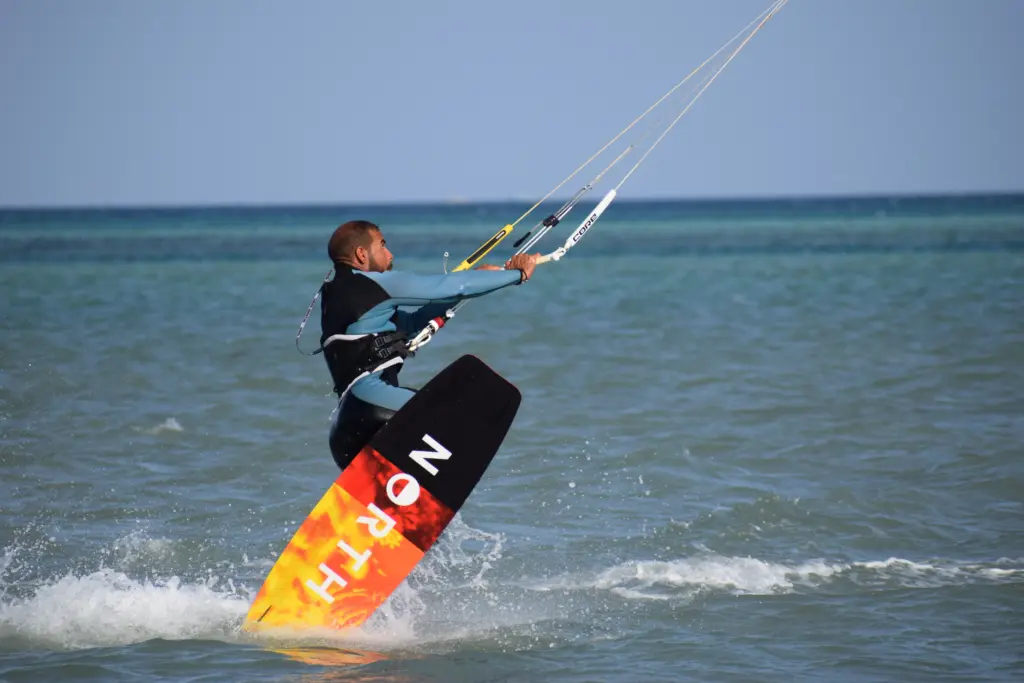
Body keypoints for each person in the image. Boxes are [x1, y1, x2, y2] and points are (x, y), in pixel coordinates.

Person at [318, 219, 539, 469]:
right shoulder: (376, 284)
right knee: (463, 419)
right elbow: (453, 285)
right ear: (361, 253)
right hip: (375, 409)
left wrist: (476, 278)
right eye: (382, 246)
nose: (390, 255)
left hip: (345, 432)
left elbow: (412, 323)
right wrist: (517, 274)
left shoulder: (337, 296)